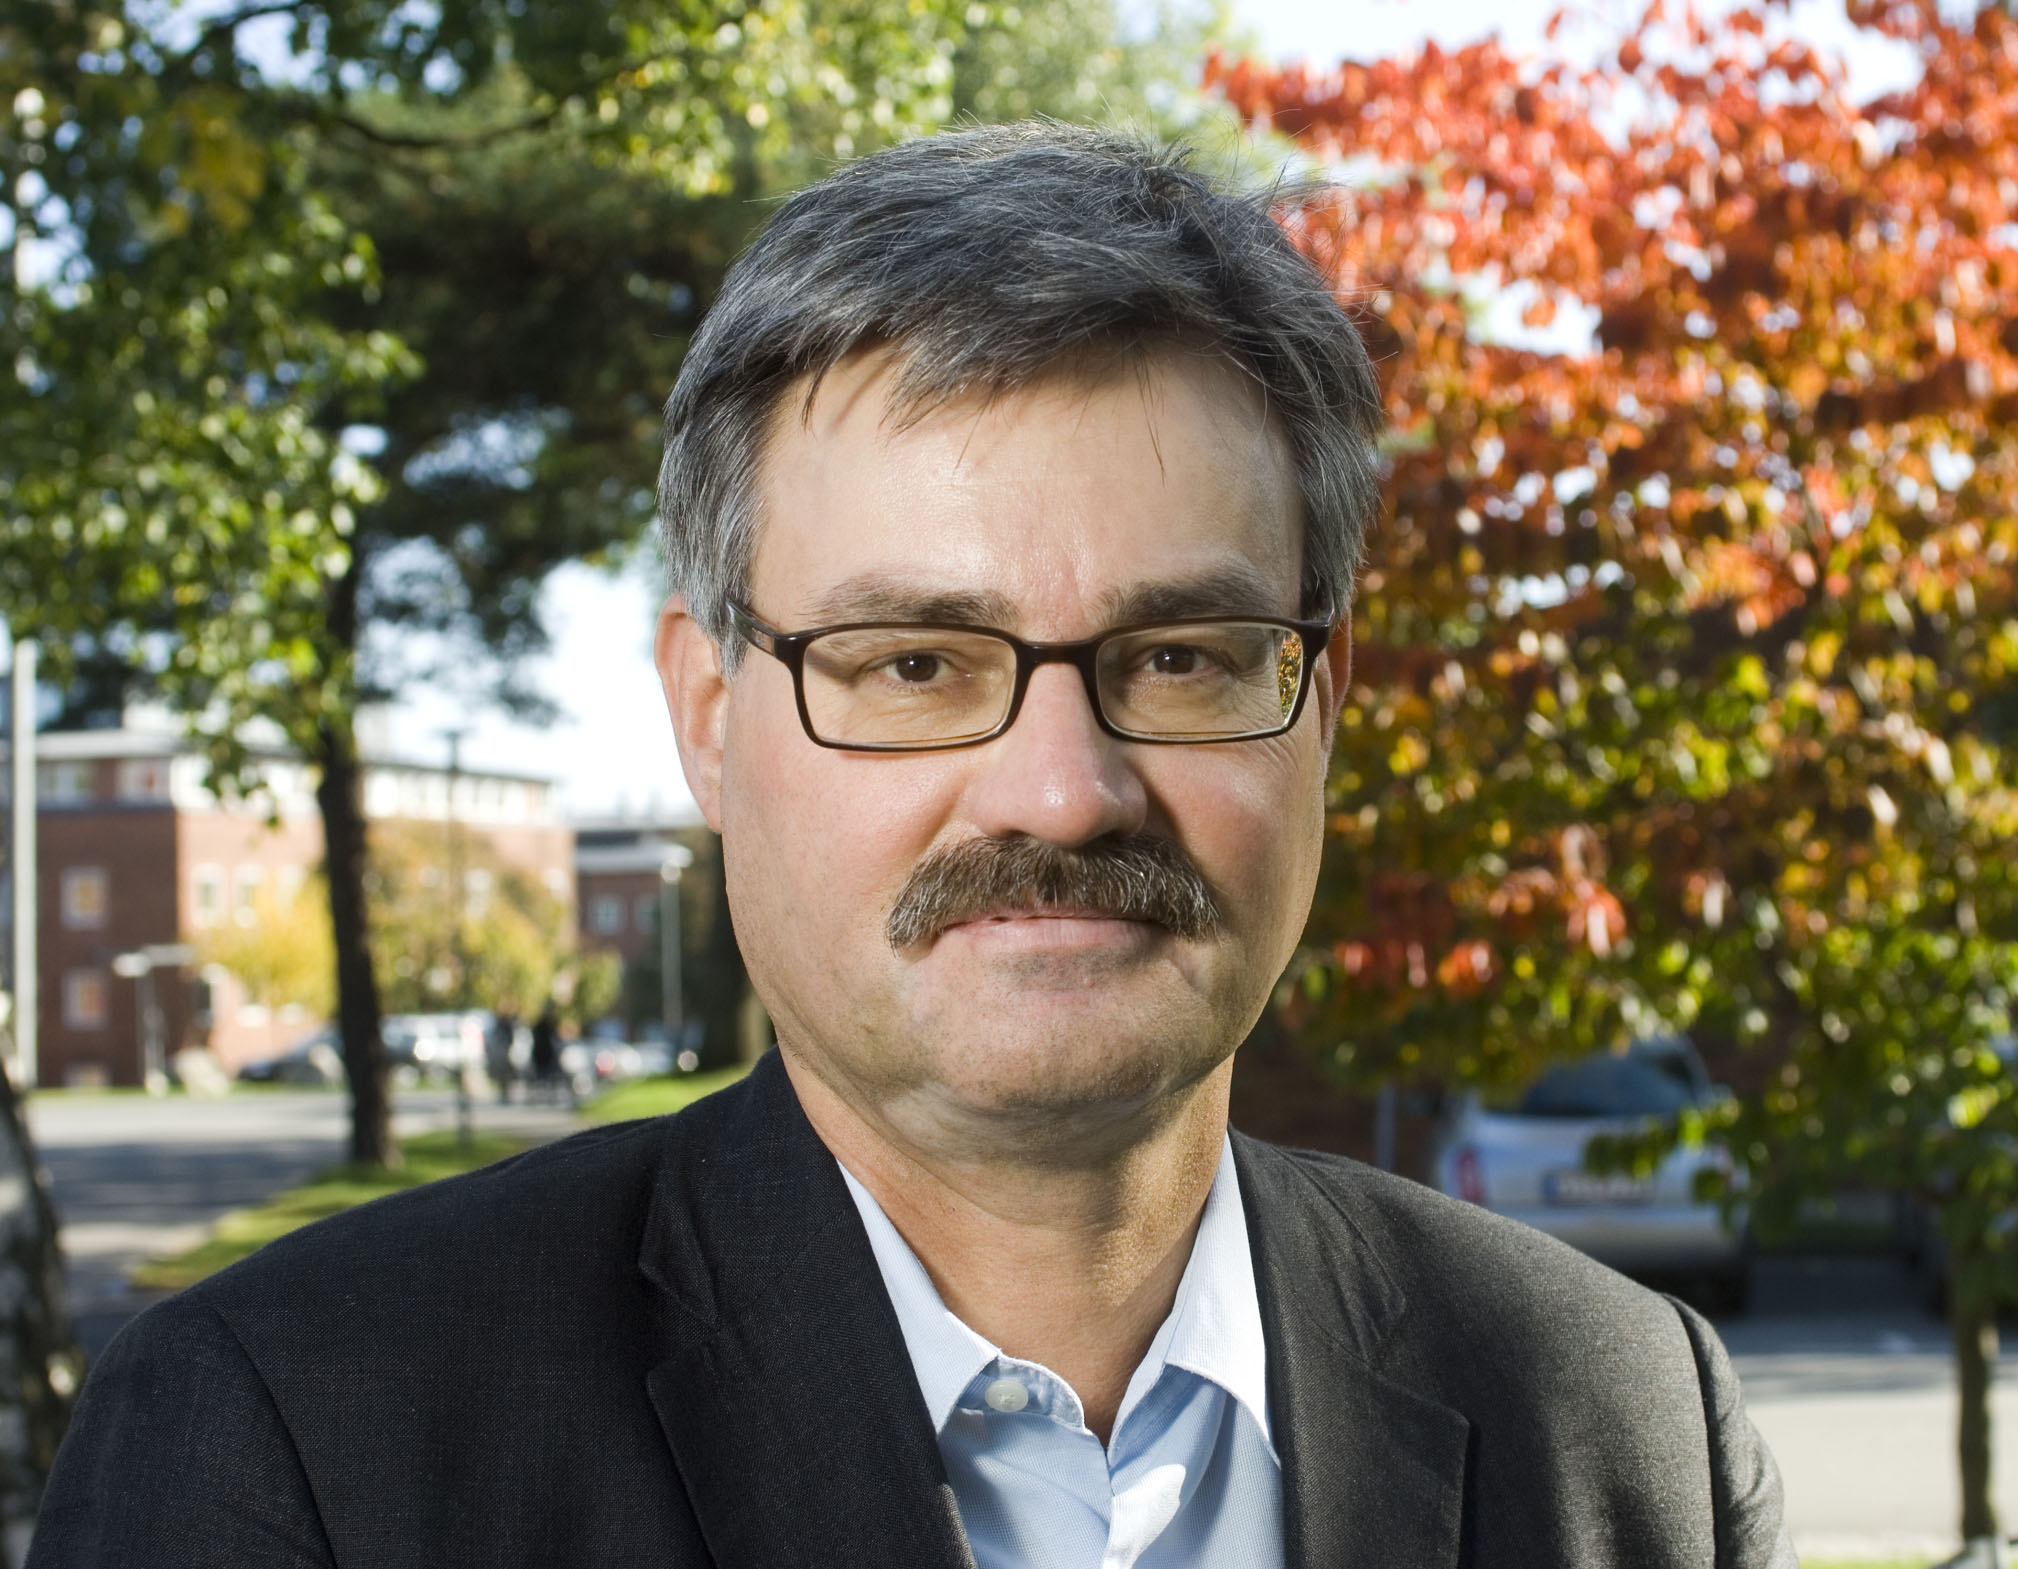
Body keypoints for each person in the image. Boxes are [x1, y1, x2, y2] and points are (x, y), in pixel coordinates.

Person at [29, 124, 1796, 1568]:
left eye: (1178, 657)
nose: (1059, 790)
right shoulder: (298, 1445)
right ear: (708, 716)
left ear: (1318, 704)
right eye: (913, 664)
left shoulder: (1621, 1421)